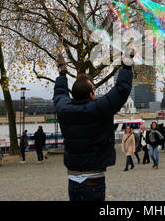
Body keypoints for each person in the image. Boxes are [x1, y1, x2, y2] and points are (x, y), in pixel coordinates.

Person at [54, 50, 133, 202]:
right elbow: (122, 89)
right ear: (91, 93)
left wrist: (62, 73)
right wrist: (127, 64)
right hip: (93, 180)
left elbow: (59, 93)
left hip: (72, 179)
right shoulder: (98, 108)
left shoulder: (64, 109)